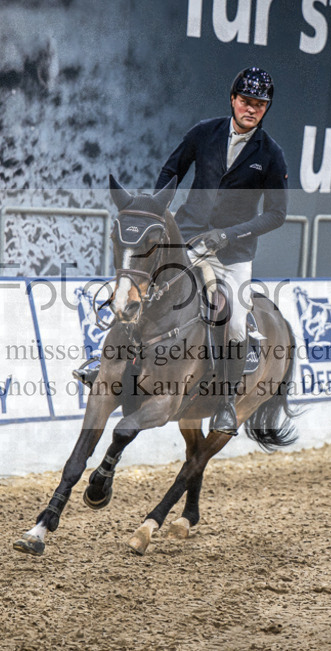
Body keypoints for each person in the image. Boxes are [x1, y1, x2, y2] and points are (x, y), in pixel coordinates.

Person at [75, 67, 288, 436]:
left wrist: (230, 234)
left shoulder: (270, 155)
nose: (251, 109)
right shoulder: (204, 132)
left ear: (265, 108)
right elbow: (172, 169)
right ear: (233, 99)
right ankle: (106, 365)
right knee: (144, 292)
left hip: (233, 253)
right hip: (186, 237)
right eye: (245, 101)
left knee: (235, 318)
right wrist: (155, 213)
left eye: (259, 104)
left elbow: (277, 213)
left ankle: (223, 402)